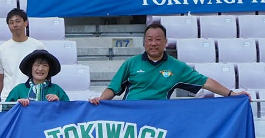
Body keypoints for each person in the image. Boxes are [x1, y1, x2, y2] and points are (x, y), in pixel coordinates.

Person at [93, 22, 245, 101]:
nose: (154, 43)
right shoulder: (131, 63)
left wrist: (231, 94)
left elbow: (205, 82)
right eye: (150, 40)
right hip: (131, 116)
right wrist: (99, 100)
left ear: (165, 42)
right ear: (144, 42)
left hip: (161, 117)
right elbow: (113, 89)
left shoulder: (177, 67)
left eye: (158, 40)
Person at [0, 7, 43, 95]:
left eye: (18, 21)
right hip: (9, 98)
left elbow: (45, 72)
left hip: (32, 97)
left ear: (26, 23)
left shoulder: (38, 46)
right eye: (11, 22)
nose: (14, 25)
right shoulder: (1, 49)